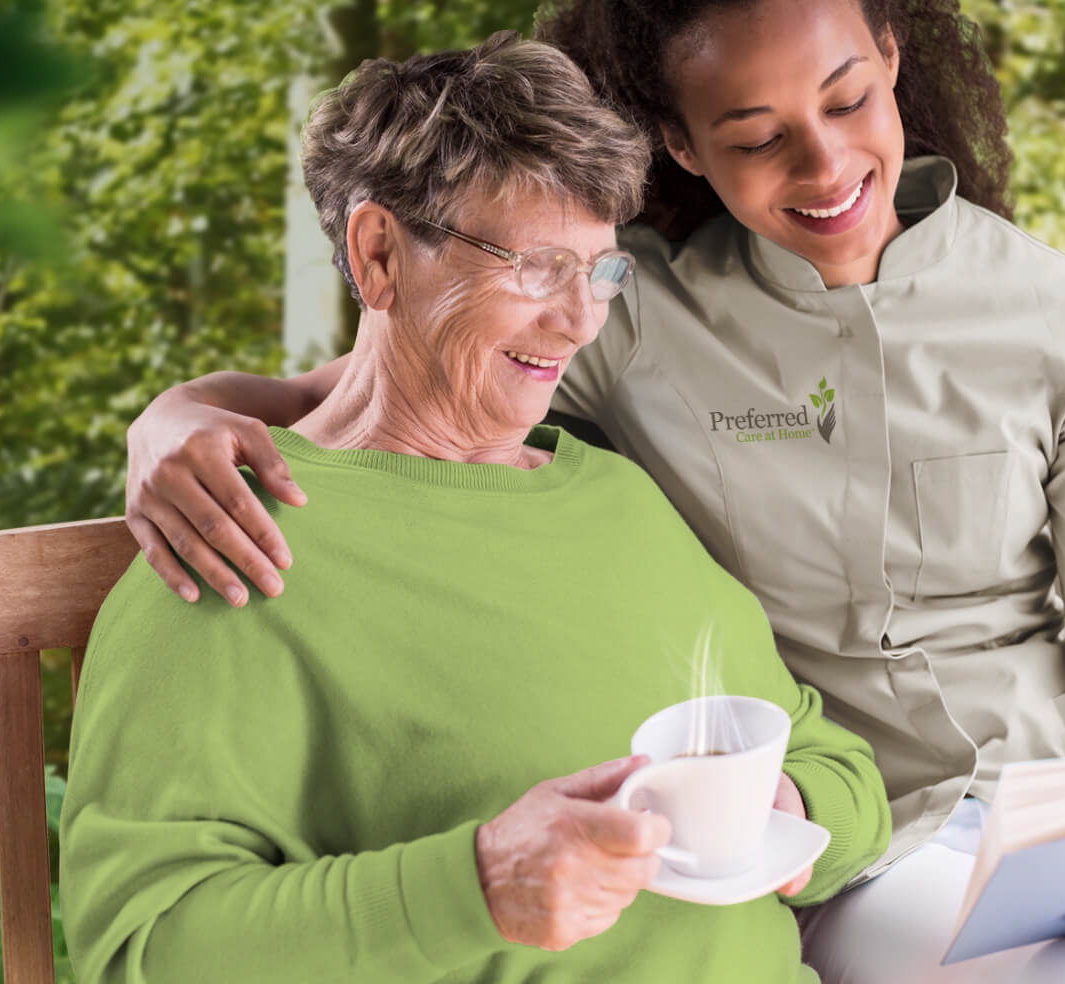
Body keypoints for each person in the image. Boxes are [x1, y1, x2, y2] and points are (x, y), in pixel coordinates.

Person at [117, 1, 1065, 981]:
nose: (826, 166)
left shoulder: (1064, 315)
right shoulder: (632, 316)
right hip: (864, 862)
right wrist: (170, 419)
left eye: (848, 100)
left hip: (1058, 808)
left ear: (893, 56)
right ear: (684, 146)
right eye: (756, 136)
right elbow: (363, 387)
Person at [58, 32, 890, 984]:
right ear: (379, 254)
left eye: (601, 272)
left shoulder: (616, 496)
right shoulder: (232, 539)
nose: (578, 319)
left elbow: (833, 761)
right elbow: (141, 947)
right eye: (536, 267)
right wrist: (476, 886)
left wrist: (787, 805)